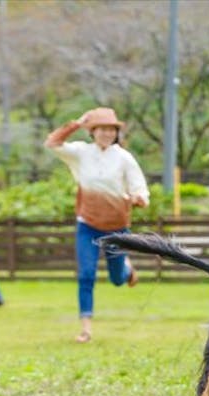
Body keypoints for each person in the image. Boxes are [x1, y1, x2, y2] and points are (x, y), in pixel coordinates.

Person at [44, 107, 150, 343]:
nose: (106, 133)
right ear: (92, 131)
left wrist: (139, 198)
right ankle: (86, 328)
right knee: (86, 274)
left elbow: (139, 188)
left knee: (116, 279)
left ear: (116, 132)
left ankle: (126, 270)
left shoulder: (123, 157)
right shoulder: (81, 152)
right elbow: (52, 143)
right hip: (88, 224)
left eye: (111, 129)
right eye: (101, 129)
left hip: (117, 228)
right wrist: (76, 123)